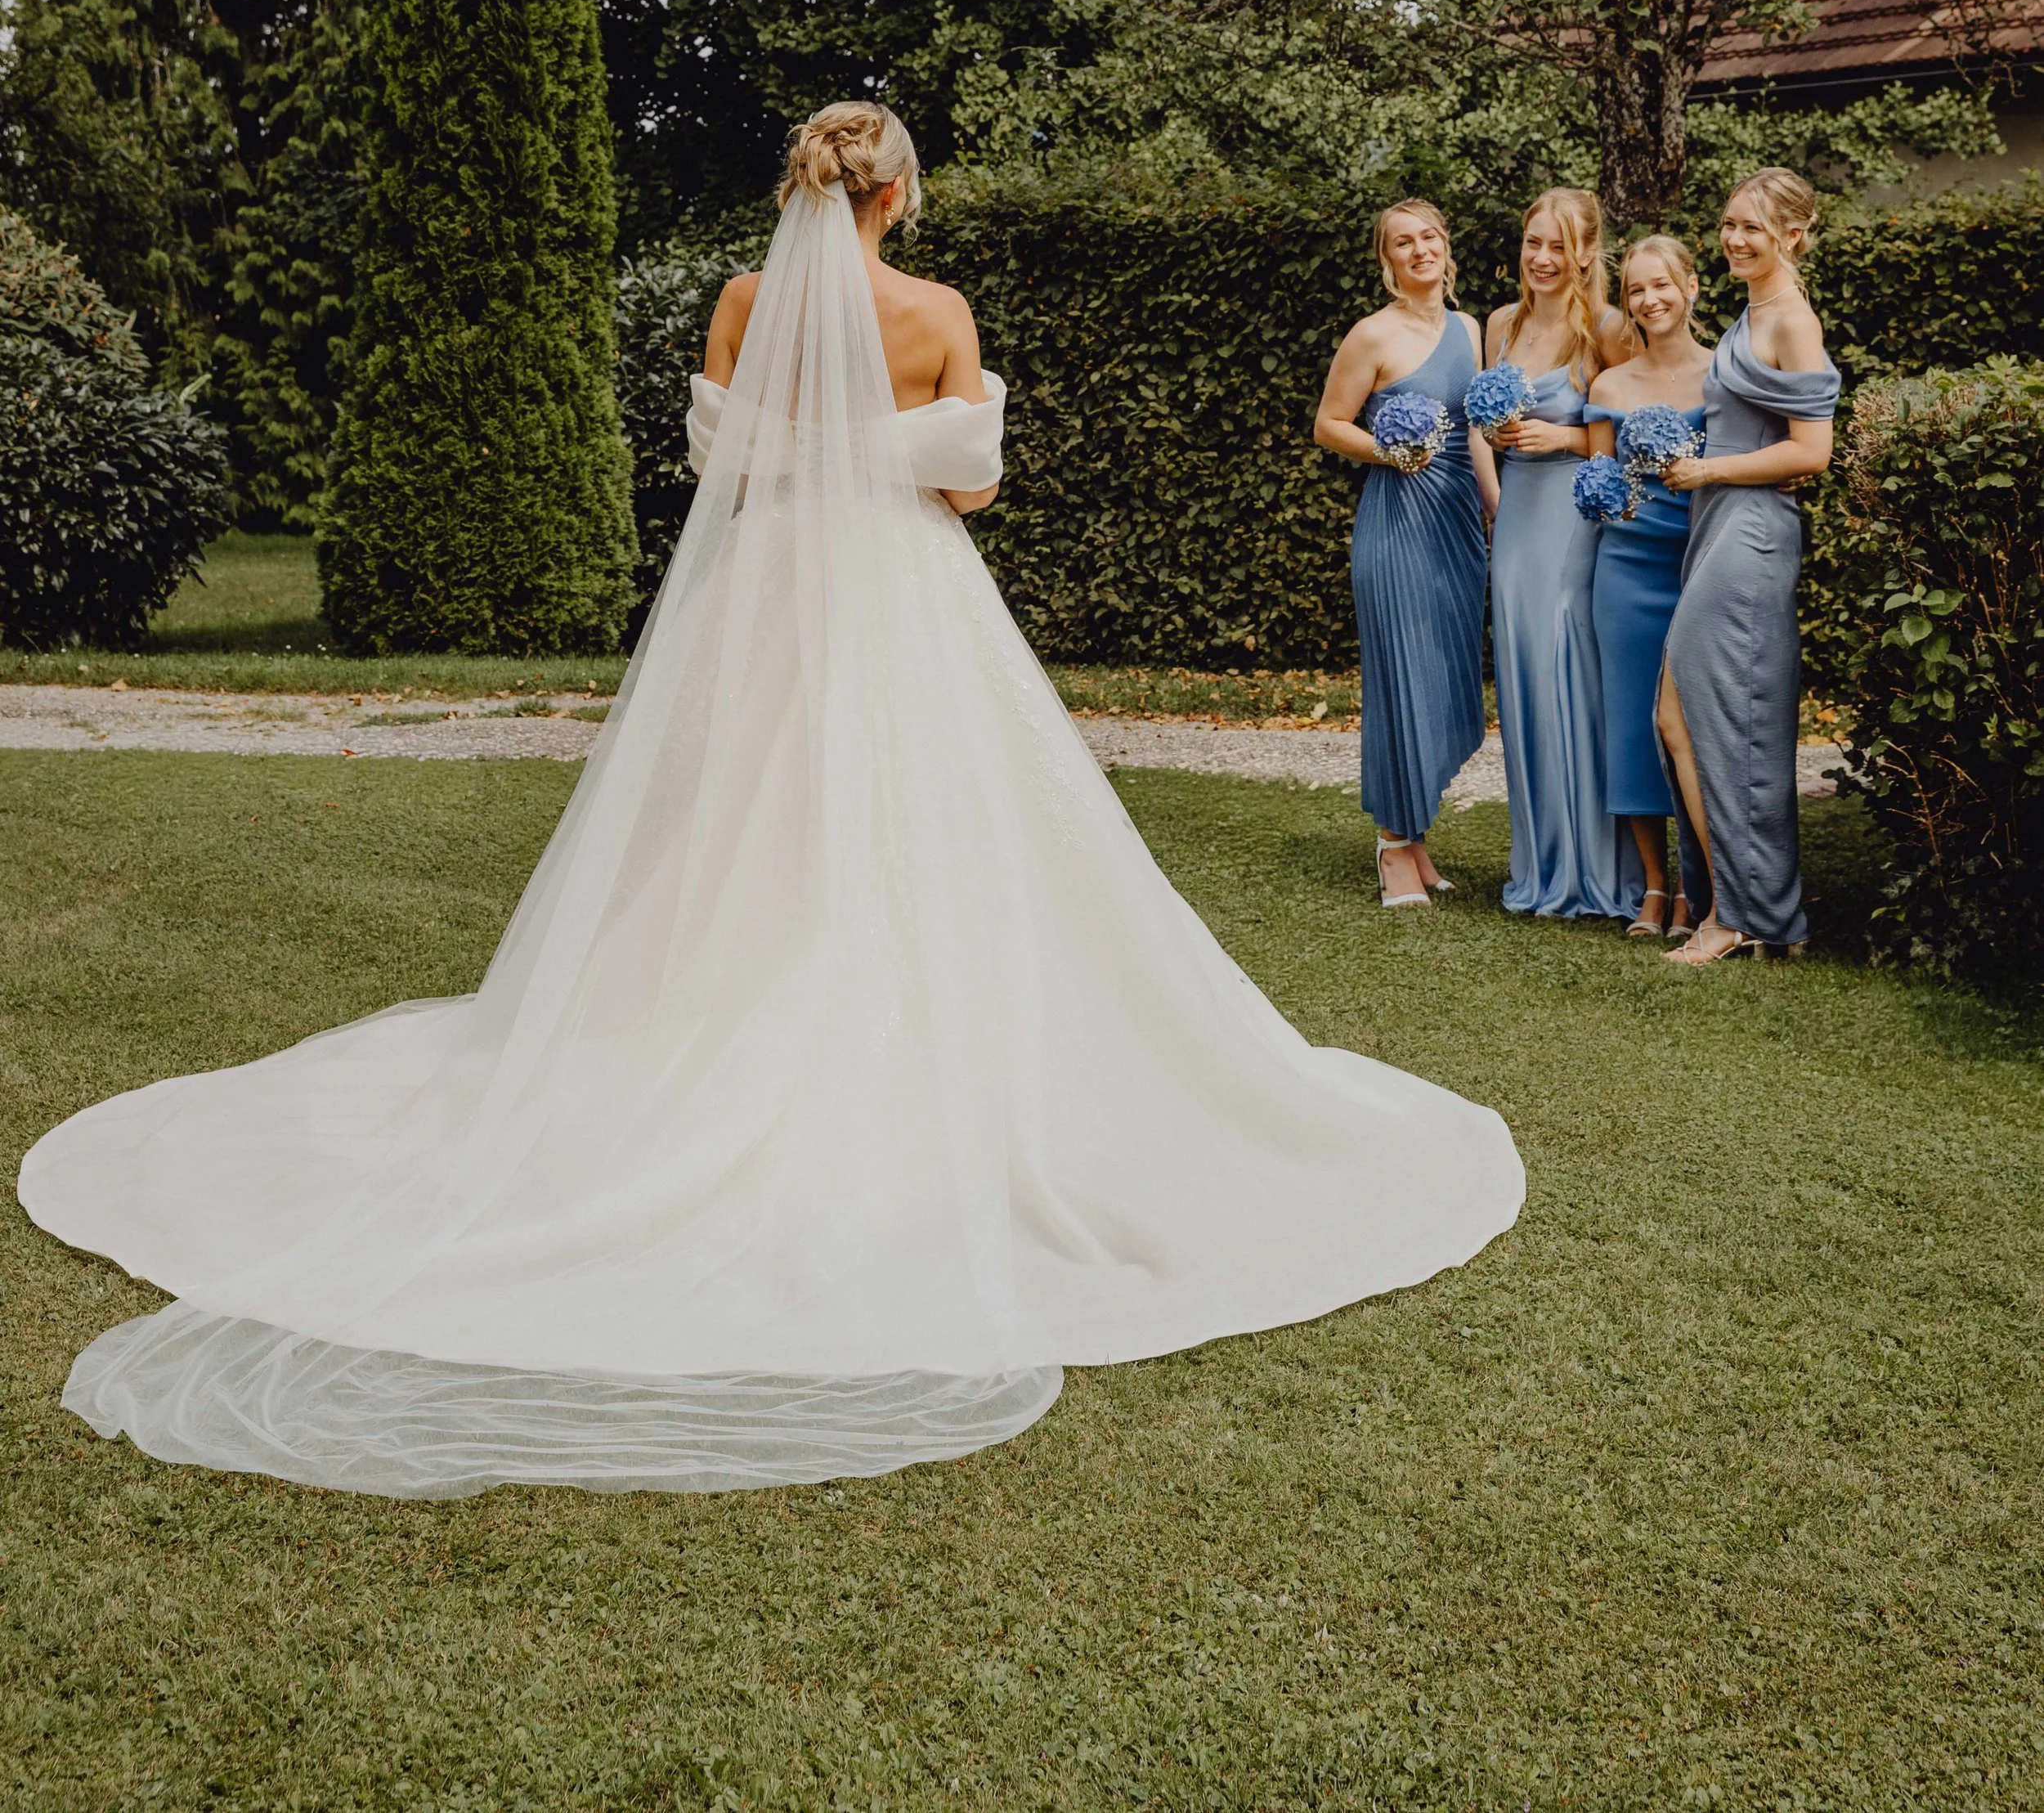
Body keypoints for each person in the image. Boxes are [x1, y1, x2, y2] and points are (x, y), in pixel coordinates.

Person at [20, 104, 1523, 1498]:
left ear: (811, 188)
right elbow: (968, 495)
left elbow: (722, 470)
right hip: (900, 592)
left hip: (769, 590)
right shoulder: (938, 316)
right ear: (895, 194)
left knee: (730, 823)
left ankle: (700, 1031)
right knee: (927, 824)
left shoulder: (744, 304)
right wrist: (941, 428)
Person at [1657, 169, 1840, 968]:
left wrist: (1707, 473)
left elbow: (1812, 450)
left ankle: (1738, 913)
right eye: (1729, 224)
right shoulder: (1751, 308)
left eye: (1753, 230)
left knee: (1707, 718)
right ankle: (1732, 904)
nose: (1734, 239)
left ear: (1794, 236)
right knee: (1679, 716)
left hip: (1752, 534)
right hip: (1719, 522)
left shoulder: (1792, 320)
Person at [1314, 200, 1498, 910]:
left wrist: (1495, 513)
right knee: (1401, 677)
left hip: (1457, 523)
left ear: (1445, 247)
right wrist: (1389, 450)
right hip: (1396, 525)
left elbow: (1477, 431)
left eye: (1429, 237)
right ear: (1387, 260)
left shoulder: (1471, 328)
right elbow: (1329, 425)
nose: (1419, 250)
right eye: (1403, 243)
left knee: (1447, 675)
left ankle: (1417, 838)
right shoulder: (1372, 335)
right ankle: (1393, 845)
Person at [1486, 190, 1633, 921]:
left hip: (1576, 520)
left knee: (1569, 671)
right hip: (1516, 521)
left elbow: (1634, 435)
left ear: (1585, 251)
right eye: (1532, 242)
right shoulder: (1499, 325)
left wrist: (1567, 440)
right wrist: (1500, 450)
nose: (1543, 259)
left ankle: (1597, 868)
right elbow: (1486, 432)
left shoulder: (1608, 329)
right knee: (1522, 678)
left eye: (1559, 246)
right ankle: (1540, 861)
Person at [1585, 236, 1710, 941]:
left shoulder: (1726, 374)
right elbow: (1602, 485)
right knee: (1632, 724)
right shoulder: (1611, 386)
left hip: (1699, 566)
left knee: (1693, 730)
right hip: (1626, 571)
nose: (1649, 300)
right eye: (1635, 289)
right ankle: (1656, 889)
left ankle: (1701, 884)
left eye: (1662, 285)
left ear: (1691, 287)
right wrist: (1618, 504)